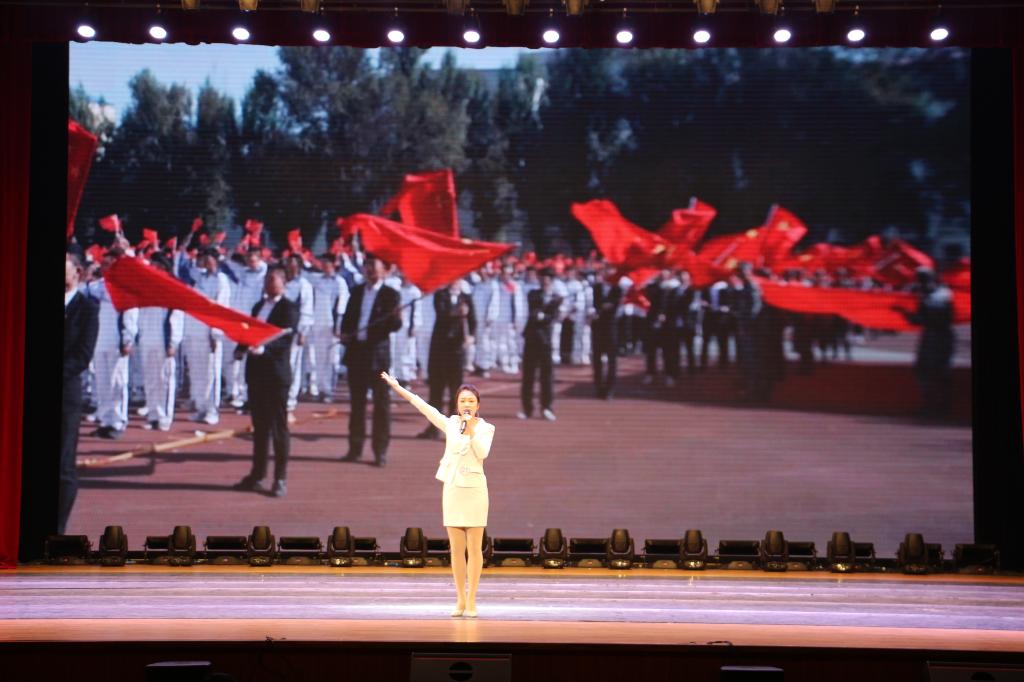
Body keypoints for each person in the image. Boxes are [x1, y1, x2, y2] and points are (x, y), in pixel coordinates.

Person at [381, 371, 494, 618]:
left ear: (478, 406)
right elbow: (423, 406)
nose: (466, 404)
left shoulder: (486, 428)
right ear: (457, 404)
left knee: (475, 548)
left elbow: (482, 453)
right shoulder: (450, 424)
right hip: (453, 488)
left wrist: (471, 429)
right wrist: (398, 388)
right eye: (463, 400)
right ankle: (460, 600)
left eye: (471, 401)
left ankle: (472, 600)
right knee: (456, 549)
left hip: (475, 490)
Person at [233, 267, 299, 497]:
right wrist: (240, 348)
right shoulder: (258, 306)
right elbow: (250, 331)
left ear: (283, 283)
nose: (269, 284)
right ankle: (257, 474)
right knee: (260, 428)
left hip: (276, 375)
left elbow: (285, 338)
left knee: (278, 428)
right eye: (267, 280)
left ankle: (280, 478)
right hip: (256, 374)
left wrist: (264, 349)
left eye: (273, 280)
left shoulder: (289, 308)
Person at [339, 255, 402, 466]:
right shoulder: (356, 291)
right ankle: (354, 448)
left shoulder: (391, 295)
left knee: (381, 404)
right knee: (357, 404)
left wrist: (396, 318)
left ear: (384, 271)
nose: (370, 270)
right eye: (367, 266)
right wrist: (345, 333)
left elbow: (394, 326)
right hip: (357, 353)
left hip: (378, 357)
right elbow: (348, 318)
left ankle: (380, 451)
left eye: (374, 267)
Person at [62, 252, 99, 533]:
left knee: (63, 464)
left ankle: (58, 526)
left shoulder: (87, 308)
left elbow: (83, 355)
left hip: (67, 392)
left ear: (77, 272)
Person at [86, 248, 139, 438]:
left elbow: (131, 315)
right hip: (100, 340)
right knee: (102, 382)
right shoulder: (99, 285)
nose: (105, 267)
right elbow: (83, 291)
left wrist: (127, 339)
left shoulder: (125, 286)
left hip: (117, 341)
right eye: (104, 264)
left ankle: (118, 422)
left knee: (117, 382)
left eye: (109, 264)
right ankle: (105, 421)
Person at [418, 281, 477, 440]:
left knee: (455, 390)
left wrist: (471, 336)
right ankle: (433, 428)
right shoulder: (440, 295)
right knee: (436, 390)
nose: (454, 281)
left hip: (456, 350)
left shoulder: (466, 298)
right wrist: (458, 311)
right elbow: (442, 314)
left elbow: (473, 321)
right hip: (439, 349)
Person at [519, 268, 562, 421]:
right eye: (542, 278)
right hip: (531, 339)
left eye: (547, 278)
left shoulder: (557, 298)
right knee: (528, 375)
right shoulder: (533, 294)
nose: (544, 281)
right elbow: (534, 312)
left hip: (546, 341)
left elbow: (552, 316)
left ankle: (547, 407)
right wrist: (543, 314)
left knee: (547, 376)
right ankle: (527, 409)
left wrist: (544, 315)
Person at [590, 264, 621, 399]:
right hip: (597, 327)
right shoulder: (596, 288)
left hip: (610, 327)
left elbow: (613, 306)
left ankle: (610, 388)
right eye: (606, 272)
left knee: (611, 359)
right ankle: (598, 387)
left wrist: (601, 308)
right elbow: (592, 304)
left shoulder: (617, 289)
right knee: (597, 358)